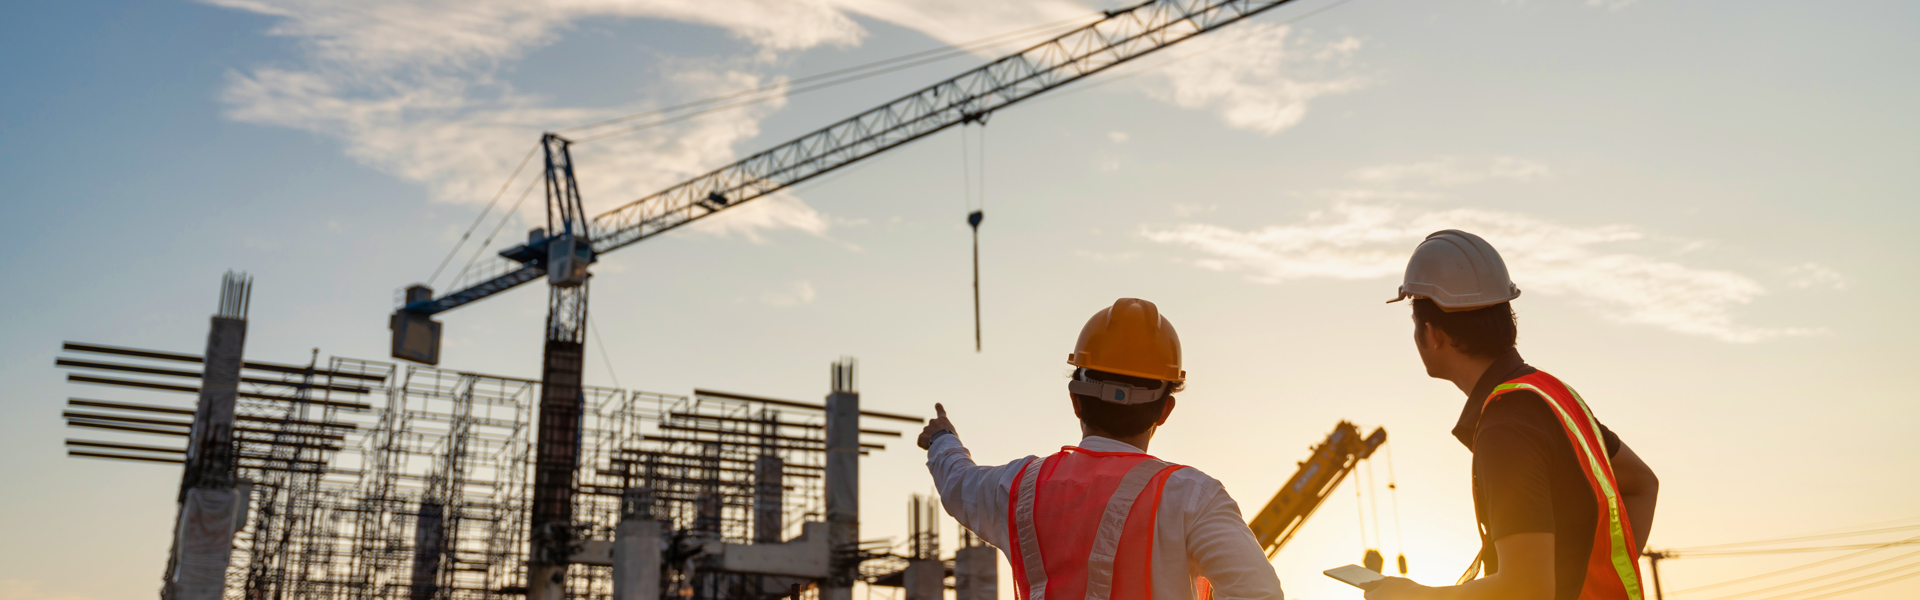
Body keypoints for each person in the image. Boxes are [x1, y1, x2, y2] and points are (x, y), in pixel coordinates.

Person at [917, 298, 1285, 600]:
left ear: (1076, 401)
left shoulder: (1019, 488)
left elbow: (957, 483)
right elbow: (1258, 593)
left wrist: (942, 439)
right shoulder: (1192, 497)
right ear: (1165, 411)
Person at [1363, 230, 1661, 600]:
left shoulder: (1505, 427)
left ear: (1432, 333)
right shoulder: (1551, 395)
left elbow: (1527, 589)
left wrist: (1416, 596)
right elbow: (1642, 485)